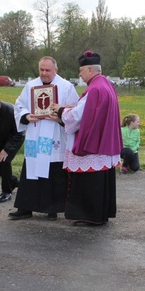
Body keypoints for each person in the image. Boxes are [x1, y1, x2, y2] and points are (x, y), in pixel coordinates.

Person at [51, 51, 122, 226]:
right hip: (103, 140)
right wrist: (72, 107)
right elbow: (88, 110)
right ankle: (101, 214)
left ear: (90, 69)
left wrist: (60, 110)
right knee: (100, 179)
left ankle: (90, 216)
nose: (80, 74)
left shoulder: (95, 88)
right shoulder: (105, 84)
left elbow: (77, 116)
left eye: (81, 71)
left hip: (93, 143)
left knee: (90, 182)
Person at [10, 56, 79, 220]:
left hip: (55, 133)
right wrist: (26, 116)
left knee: (54, 172)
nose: (44, 73)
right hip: (36, 132)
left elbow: (75, 111)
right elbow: (19, 105)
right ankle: (25, 207)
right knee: (31, 170)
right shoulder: (30, 85)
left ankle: (53, 208)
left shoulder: (66, 87)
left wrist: (61, 116)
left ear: (56, 69)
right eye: (41, 69)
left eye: (47, 70)